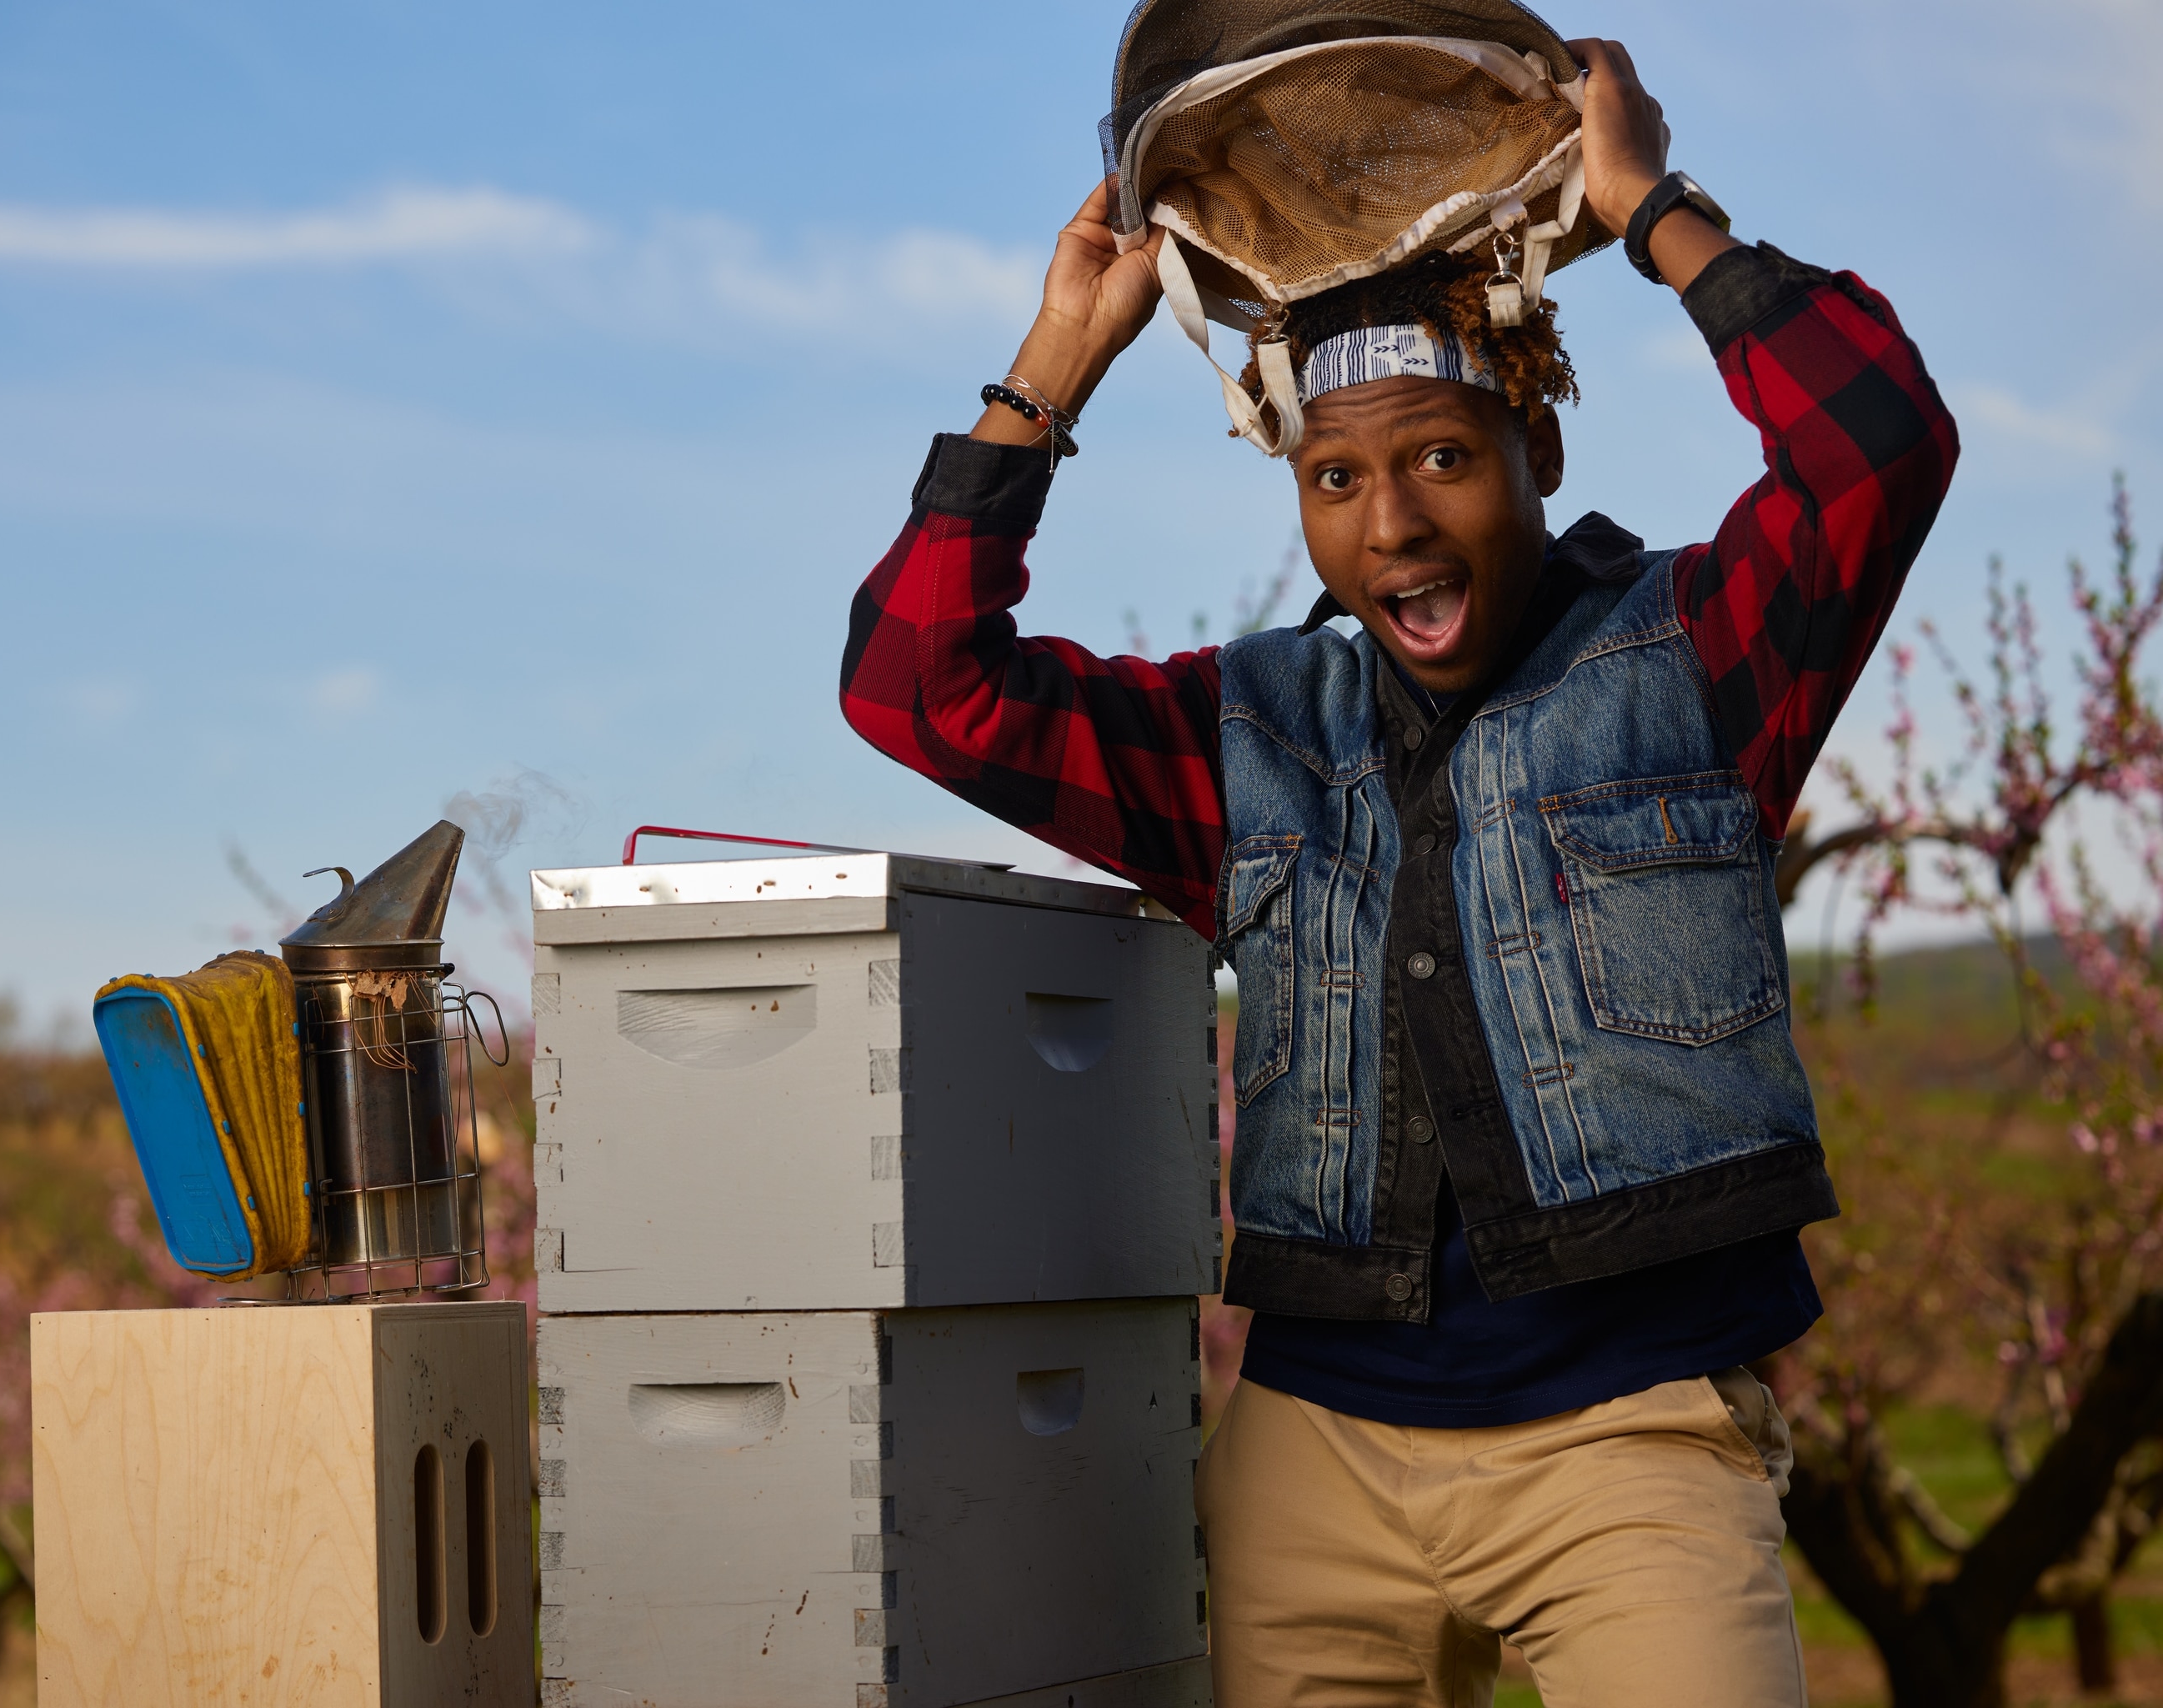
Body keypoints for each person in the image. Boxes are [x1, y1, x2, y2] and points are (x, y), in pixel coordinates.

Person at [839, 34, 1958, 1708]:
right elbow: (918, 683)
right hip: (1316, 1462)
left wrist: (1649, 207)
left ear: (1536, 454)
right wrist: (1053, 366)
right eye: (1334, 477)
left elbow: (1877, 443)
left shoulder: (1704, 658)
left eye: (1440, 455)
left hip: (1630, 1448)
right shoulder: (1243, 734)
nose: (1391, 528)